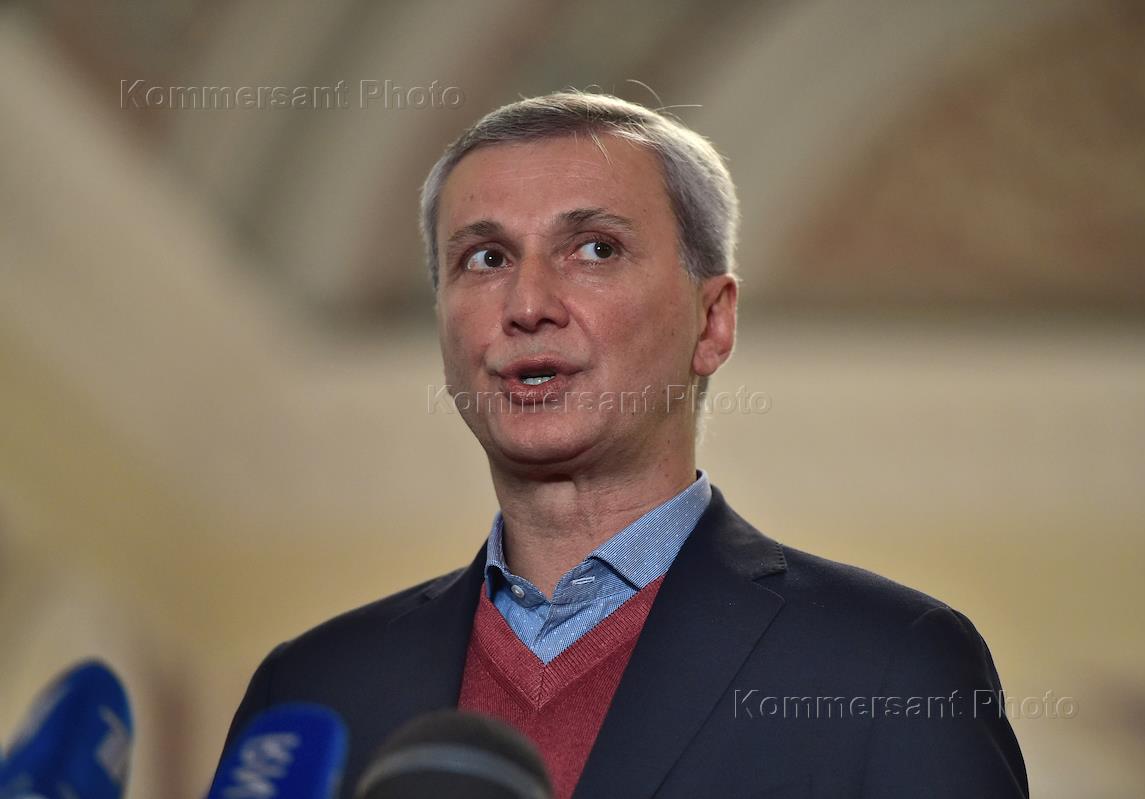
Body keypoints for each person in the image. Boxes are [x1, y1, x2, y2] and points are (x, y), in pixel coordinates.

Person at [217, 91, 1028, 798]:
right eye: (485, 258)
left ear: (712, 322)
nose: (527, 304)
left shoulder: (889, 668)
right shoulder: (310, 693)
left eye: (595, 249)